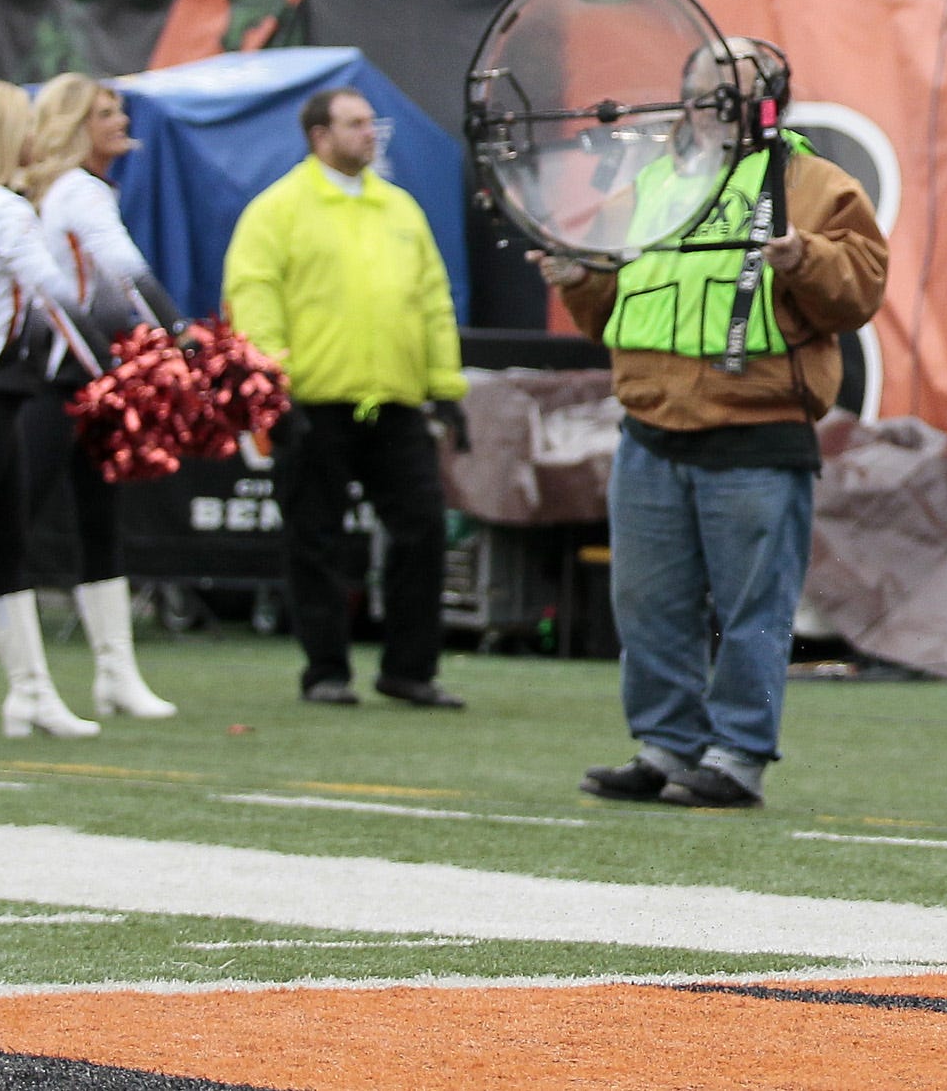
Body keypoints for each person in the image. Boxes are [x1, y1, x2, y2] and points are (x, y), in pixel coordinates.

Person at [539, 42, 888, 808]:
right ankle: (664, 747)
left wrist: (804, 259)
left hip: (757, 430)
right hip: (650, 426)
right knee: (646, 601)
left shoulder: (816, 187)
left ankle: (737, 758)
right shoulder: (652, 184)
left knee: (752, 611)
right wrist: (578, 282)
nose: (706, 107)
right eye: (699, 91)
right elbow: (618, 309)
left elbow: (860, 289)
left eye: (723, 93)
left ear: (769, 106)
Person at [223, 86, 469, 709]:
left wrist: (444, 389)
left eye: (371, 123)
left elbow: (434, 302)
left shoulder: (400, 208)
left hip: (395, 400)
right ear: (319, 135)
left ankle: (409, 670)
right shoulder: (277, 210)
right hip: (315, 403)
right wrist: (276, 394)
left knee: (421, 530)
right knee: (316, 539)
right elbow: (254, 305)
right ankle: (325, 670)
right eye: (355, 124)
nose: (370, 134)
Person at [4, 76, 176, 728]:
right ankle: (32, 684)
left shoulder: (79, 189)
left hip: (85, 375)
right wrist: (181, 338)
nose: (119, 120)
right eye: (104, 112)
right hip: (60, 378)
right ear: (75, 125)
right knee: (15, 519)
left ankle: (115, 674)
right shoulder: (78, 190)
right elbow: (127, 273)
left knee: (100, 517)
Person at [0, 82, 92, 738]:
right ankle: (29, 693)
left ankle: (29, 692)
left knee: (7, 542)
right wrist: (131, 356)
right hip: (2, 390)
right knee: (5, 540)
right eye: (25, 124)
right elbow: (56, 290)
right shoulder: (9, 210)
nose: (36, 136)